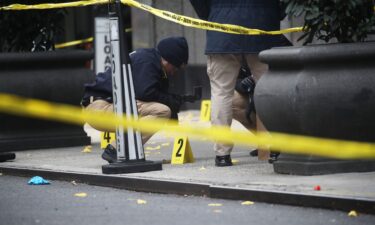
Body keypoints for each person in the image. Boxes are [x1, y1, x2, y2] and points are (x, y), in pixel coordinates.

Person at [190, 0, 291, 166]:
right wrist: (275, 12)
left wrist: (212, 13)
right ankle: (274, 148)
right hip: (262, 25)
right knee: (270, 90)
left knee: (221, 93)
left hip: (221, 29)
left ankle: (222, 155)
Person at [81, 36, 190, 163]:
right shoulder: (148, 62)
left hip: (101, 106)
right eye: (176, 68)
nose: (175, 72)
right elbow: (145, 93)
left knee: (163, 110)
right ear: (169, 61)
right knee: (162, 111)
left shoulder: (150, 60)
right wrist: (171, 102)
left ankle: (125, 151)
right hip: (100, 108)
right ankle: (116, 150)